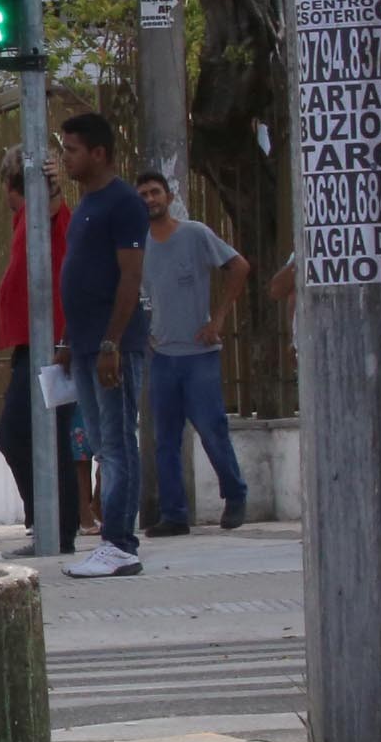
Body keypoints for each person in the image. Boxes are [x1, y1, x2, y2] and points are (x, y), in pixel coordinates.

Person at [54, 114, 150, 579]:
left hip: (114, 344)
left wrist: (112, 340)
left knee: (116, 443)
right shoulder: (86, 204)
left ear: (99, 153)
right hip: (86, 342)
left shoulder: (123, 203)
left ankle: (120, 543)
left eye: (72, 149)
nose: (65, 157)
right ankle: (112, 542)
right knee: (97, 442)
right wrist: (69, 339)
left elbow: (130, 276)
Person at [136, 172, 252, 535]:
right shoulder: (138, 245)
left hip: (199, 353)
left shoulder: (195, 234)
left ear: (168, 197)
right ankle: (174, 514)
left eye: (155, 193)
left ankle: (234, 495)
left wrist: (217, 318)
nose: (150, 200)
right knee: (165, 439)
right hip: (162, 356)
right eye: (143, 195)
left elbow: (239, 267)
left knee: (211, 429)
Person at [0, 151, 78, 544]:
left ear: (13, 187)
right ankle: (53, 524)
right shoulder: (23, 219)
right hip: (34, 343)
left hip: (51, 343)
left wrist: (51, 183)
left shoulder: (43, 212)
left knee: (19, 433)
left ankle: (53, 523)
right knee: (37, 434)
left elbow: (56, 204)